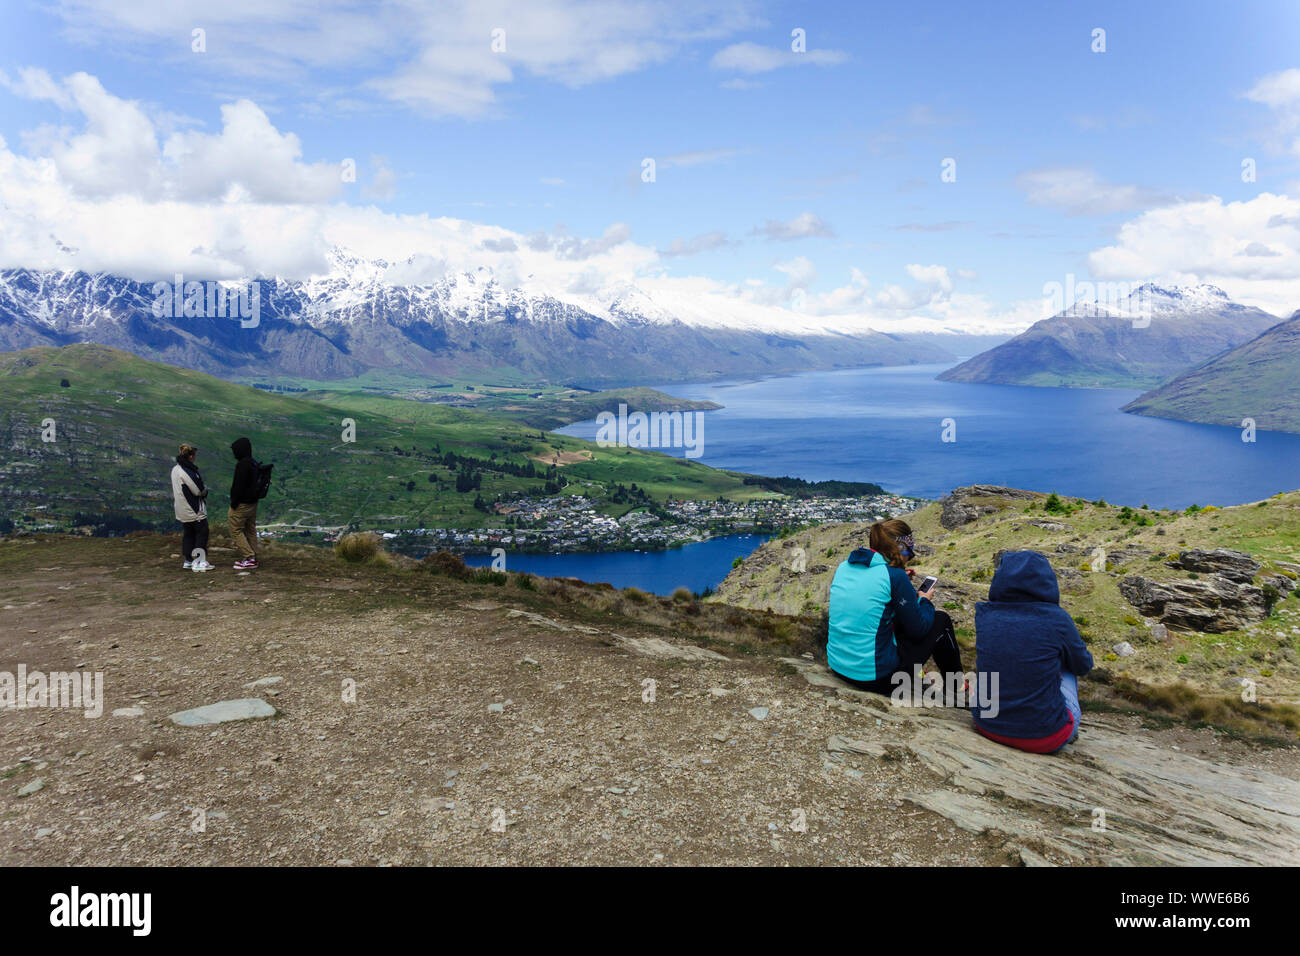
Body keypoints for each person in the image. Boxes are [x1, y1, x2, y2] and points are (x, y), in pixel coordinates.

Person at [971, 550, 1093, 753]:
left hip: (987, 725)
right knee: (1067, 666)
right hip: (1045, 737)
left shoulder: (984, 613)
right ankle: (1054, 721)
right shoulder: (1057, 619)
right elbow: (1083, 666)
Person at [826, 518, 965, 698]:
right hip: (877, 679)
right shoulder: (895, 577)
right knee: (941, 620)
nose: (911, 555)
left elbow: (872, 597)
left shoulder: (844, 566)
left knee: (894, 616)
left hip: (838, 667)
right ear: (900, 548)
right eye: (910, 550)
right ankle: (958, 686)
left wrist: (902, 586)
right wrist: (924, 600)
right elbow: (919, 630)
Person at [171, 443, 212, 571]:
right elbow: (198, 490)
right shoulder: (188, 471)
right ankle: (199, 561)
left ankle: (188, 560)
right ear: (191, 456)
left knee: (188, 533)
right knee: (202, 532)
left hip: (181, 508)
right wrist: (205, 491)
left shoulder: (175, 469)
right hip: (194, 509)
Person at [229, 436, 260, 570]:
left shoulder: (242, 465)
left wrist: (234, 503)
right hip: (253, 503)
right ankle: (254, 556)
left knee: (235, 530)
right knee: (250, 529)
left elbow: (238, 486)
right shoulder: (253, 463)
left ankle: (249, 557)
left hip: (242, 504)